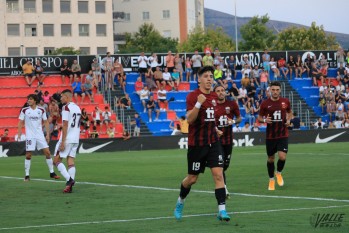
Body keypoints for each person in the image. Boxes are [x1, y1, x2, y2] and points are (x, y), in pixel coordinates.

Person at [173, 66, 230, 222]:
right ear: (199, 79)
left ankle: (222, 210)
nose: (209, 78)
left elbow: (210, 119)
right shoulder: (193, 96)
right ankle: (180, 202)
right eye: (206, 76)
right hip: (197, 144)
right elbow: (189, 120)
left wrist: (216, 129)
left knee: (219, 175)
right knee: (192, 179)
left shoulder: (214, 96)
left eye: (211, 76)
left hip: (214, 142)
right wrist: (198, 104)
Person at [258, 81, 292, 191]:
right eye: (273, 90)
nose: (275, 92)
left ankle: (278, 173)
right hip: (270, 136)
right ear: (270, 90)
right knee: (271, 158)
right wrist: (264, 120)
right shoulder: (265, 103)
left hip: (283, 134)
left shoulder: (285, 101)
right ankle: (271, 179)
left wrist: (289, 120)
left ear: (280, 90)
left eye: (277, 90)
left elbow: (290, 112)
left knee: (282, 157)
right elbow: (259, 118)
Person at [18, 94, 60, 181]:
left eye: (30, 99)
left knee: (48, 153)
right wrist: (19, 133)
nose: (28, 101)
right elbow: (20, 122)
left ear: (35, 101)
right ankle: (27, 175)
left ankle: (52, 172)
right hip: (30, 136)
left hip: (39, 135)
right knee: (28, 155)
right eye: (28, 99)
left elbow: (46, 122)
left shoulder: (41, 110)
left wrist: (48, 134)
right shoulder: (25, 110)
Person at [214, 85, 241, 199]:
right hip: (216, 141)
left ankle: (220, 182)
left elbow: (239, 118)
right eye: (218, 91)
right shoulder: (211, 105)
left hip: (228, 140)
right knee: (219, 167)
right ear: (215, 93)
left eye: (222, 90)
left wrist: (233, 121)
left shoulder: (232, 104)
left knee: (225, 166)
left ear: (225, 92)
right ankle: (224, 189)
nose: (220, 92)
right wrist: (215, 129)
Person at [53, 89, 81, 193]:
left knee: (56, 160)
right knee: (70, 161)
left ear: (67, 97)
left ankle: (69, 180)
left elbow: (65, 125)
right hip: (76, 138)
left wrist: (63, 142)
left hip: (68, 138)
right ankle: (70, 188)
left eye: (62, 96)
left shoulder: (66, 107)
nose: (60, 98)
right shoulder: (77, 107)